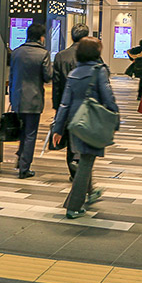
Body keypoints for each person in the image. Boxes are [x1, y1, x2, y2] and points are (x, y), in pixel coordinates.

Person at [52, 37, 119, 219]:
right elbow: (108, 98)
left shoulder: (74, 73)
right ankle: (73, 206)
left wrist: (58, 128)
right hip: (92, 122)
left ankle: (90, 191)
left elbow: (64, 104)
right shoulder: (99, 71)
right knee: (86, 162)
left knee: (84, 159)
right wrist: (115, 119)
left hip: (75, 123)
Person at [9, 23, 52, 179]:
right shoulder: (43, 54)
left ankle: (20, 159)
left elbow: (11, 76)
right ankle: (24, 168)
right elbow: (48, 77)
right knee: (30, 133)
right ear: (41, 37)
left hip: (17, 98)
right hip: (33, 99)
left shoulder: (17, 52)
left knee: (21, 130)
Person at [52, 22, 91, 180]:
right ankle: (82, 171)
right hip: (87, 105)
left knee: (70, 137)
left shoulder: (61, 56)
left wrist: (57, 106)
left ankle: (74, 170)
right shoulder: (91, 55)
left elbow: (56, 84)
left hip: (67, 103)